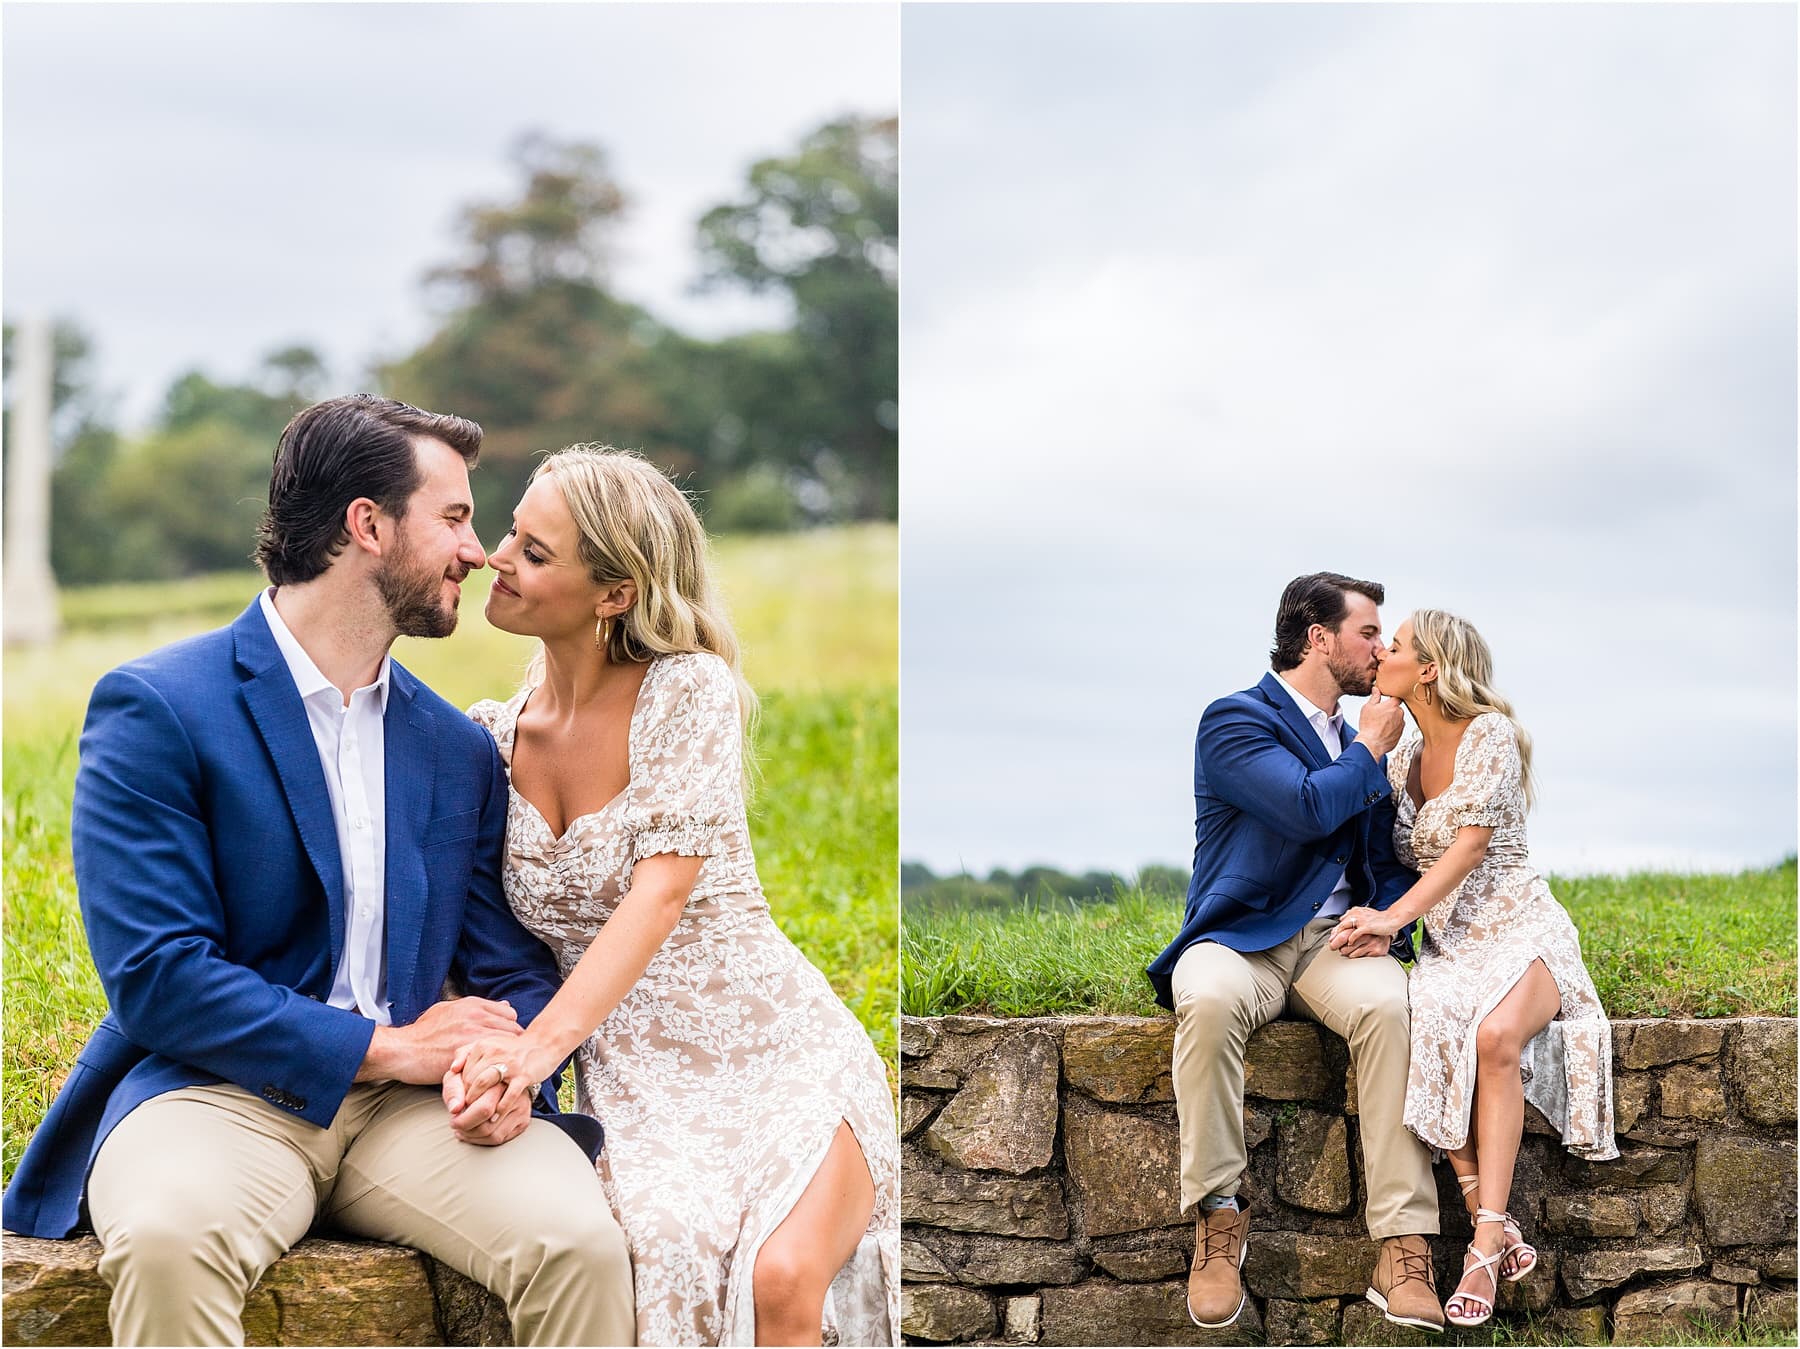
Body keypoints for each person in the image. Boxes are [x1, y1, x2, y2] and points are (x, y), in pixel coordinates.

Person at [1, 396, 635, 1347]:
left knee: (581, 1243)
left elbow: (503, 961)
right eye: (455, 518)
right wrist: (385, 1049)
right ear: (367, 525)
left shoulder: (454, 747)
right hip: (210, 1093)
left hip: (417, 1119)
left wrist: (506, 1071)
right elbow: (158, 976)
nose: (478, 552)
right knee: (171, 1239)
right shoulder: (158, 708)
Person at [449, 446, 898, 1347]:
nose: (497, 556)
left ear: (614, 592)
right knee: (669, 1251)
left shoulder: (686, 692)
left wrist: (534, 1057)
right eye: (509, 532)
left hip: (774, 1049)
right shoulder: (488, 742)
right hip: (638, 1083)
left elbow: (657, 899)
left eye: (536, 552)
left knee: (781, 1277)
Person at [1144, 571, 1445, 1334]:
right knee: (1204, 997)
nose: (1382, 649)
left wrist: (1388, 920)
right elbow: (1308, 806)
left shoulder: (1358, 742)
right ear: (1318, 637)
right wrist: (1373, 749)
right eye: (1369, 633)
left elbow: (1382, 857)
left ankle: (1402, 1242)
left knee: (1391, 1005)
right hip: (1242, 937)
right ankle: (1217, 1217)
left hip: (1335, 944)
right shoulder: (1235, 720)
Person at [1328, 609, 1617, 1327]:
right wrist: (1365, 919)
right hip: (1450, 943)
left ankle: (1483, 1243)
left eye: (1393, 646)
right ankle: (1484, 1210)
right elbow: (1382, 851)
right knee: (1424, 1026)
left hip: (1520, 927)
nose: (1380, 654)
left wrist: (1392, 920)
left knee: (1492, 1039)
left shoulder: (1491, 731)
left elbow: (1466, 849)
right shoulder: (1401, 754)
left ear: (1429, 668)